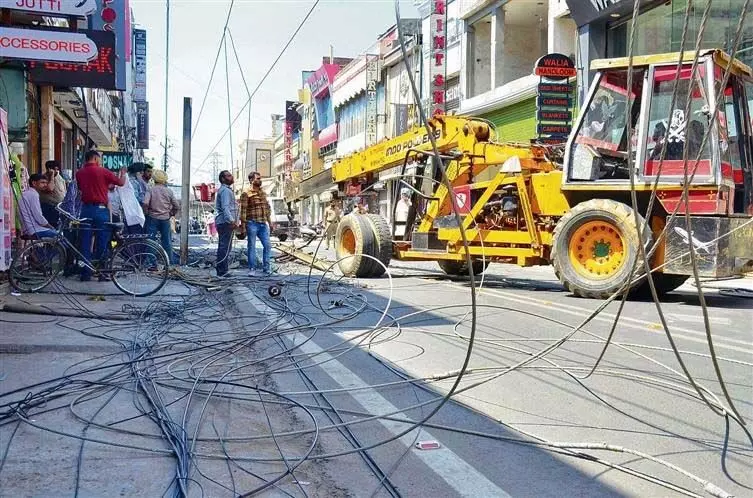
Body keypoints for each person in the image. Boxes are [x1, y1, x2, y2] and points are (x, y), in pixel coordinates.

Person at [75, 150, 126, 281]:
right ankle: (102, 273)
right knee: (102, 241)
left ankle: (85, 273)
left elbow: (81, 189)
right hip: (101, 209)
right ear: (96, 159)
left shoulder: (79, 173)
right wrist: (123, 173)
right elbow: (120, 183)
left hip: (85, 210)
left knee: (85, 242)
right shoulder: (103, 171)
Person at [240, 171, 273, 276]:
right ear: (251, 180)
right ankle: (252, 268)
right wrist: (243, 226)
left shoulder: (262, 192)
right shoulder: (246, 193)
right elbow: (243, 210)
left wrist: (270, 223)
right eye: (257, 178)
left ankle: (266, 268)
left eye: (260, 178)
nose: (260, 180)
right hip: (252, 223)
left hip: (263, 223)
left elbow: (267, 209)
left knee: (267, 246)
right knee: (252, 246)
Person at [143, 169, 180, 264]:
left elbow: (146, 203)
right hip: (165, 219)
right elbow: (176, 206)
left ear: (154, 179)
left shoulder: (150, 190)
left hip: (152, 218)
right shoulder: (169, 191)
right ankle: (169, 263)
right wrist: (171, 213)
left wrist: (146, 213)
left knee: (151, 241)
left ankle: (151, 264)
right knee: (167, 242)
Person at [214, 170, 239, 277]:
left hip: (225, 222)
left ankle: (223, 269)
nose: (231, 177)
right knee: (224, 247)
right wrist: (231, 220)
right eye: (228, 176)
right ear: (223, 179)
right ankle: (222, 271)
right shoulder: (225, 191)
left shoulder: (226, 190)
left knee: (225, 247)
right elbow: (225, 207)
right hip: (225, 223)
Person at [18, 174, 58, 239]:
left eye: (46, 183)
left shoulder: (27, 193)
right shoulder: (33, 195)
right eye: (42, 182)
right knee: (58, 235)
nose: (45, 185)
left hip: (28, 228)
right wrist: (49, 226)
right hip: (34, 229)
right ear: (34, 183)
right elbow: (38, 216)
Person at [39, 160, 66, 227]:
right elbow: (50, 188)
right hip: (48, 207)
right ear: (49, 169)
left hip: (59, 207)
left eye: (57, 169)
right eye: (55, 169)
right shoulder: (44, 178)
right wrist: (52, 176)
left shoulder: (59, 177)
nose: (57, 171)